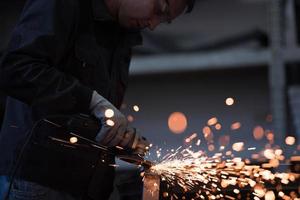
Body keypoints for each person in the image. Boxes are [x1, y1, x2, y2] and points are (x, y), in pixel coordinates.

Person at [0, 0, 195, 199]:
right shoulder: (63, 4)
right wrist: (90, 101)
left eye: (164, 20)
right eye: (158, 10)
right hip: (38, 182)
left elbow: (95, 114)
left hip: (88, 187)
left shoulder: (124, 29)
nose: (153, 24)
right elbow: (16, 69)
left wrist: (121, 137)